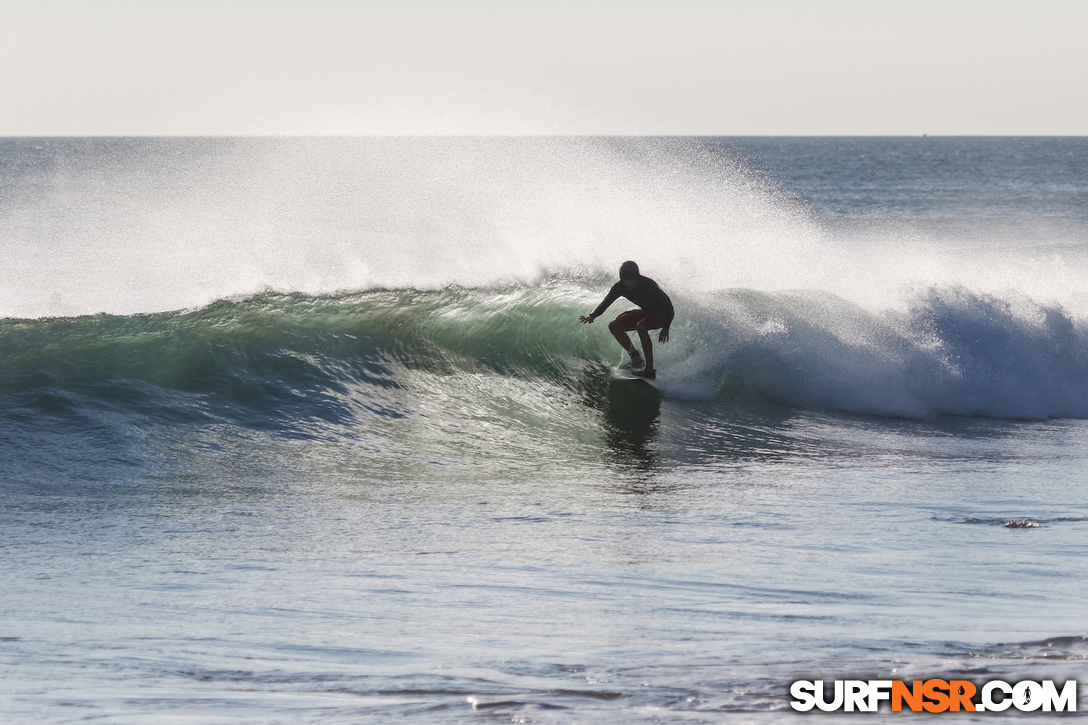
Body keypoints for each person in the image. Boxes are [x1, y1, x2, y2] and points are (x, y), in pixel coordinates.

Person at [580, 261, 674, 380]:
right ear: (622, 278)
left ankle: (650, 370)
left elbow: (669, 306)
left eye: (632, 278)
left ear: (637, 276)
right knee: (614, 326)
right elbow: (607, 301)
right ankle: (636, 358)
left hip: (662, 314)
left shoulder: (648, 285)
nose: (629, 282)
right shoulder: (620, 287)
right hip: (646, 312)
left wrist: (666, 327)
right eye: (626, 279)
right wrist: (593, 315)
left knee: (641, 326)